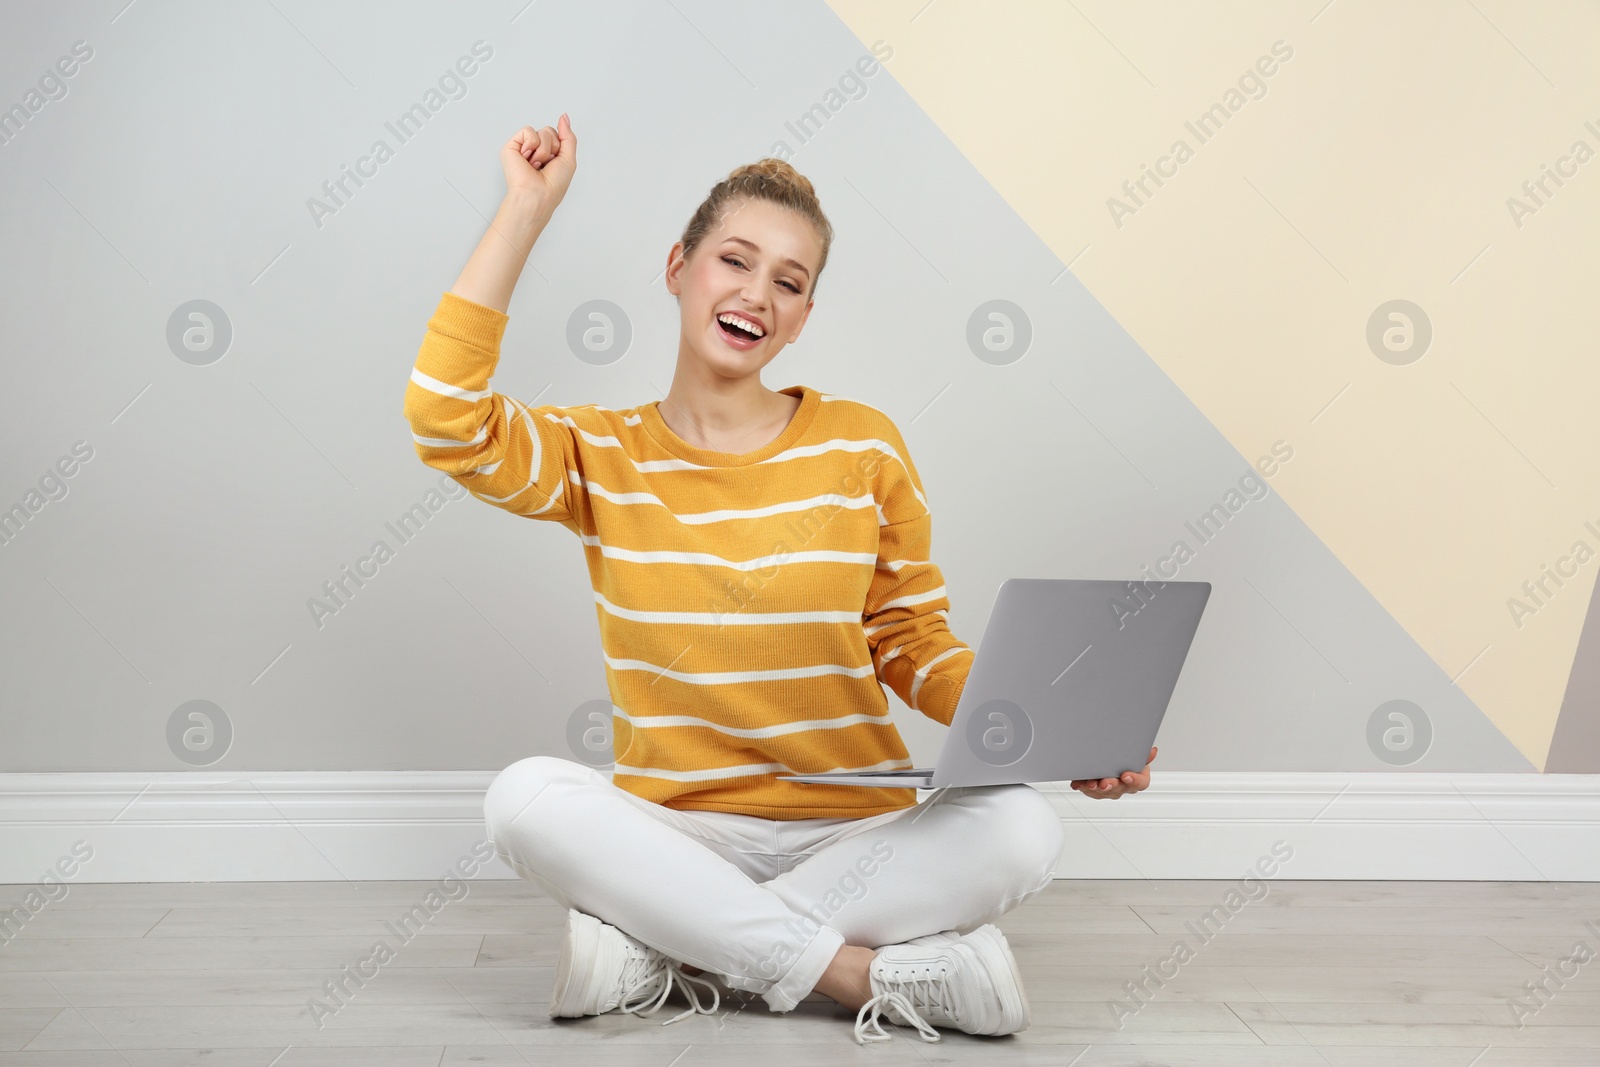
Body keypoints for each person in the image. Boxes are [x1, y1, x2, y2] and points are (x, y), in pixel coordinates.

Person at [402, 116, 1156, 1045]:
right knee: (521, 798)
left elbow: (911, 643)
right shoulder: (598, 454)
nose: (756, 294)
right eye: (734, 261)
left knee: (1023, 827)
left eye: (788, 282)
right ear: (678, 267)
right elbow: (445, 419)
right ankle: (853, 973)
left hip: (851, 833)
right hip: (676, 833)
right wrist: (524, 211)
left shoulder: (863, 443)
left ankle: (671, 952)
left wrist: (1043, 726)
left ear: (802, 316)